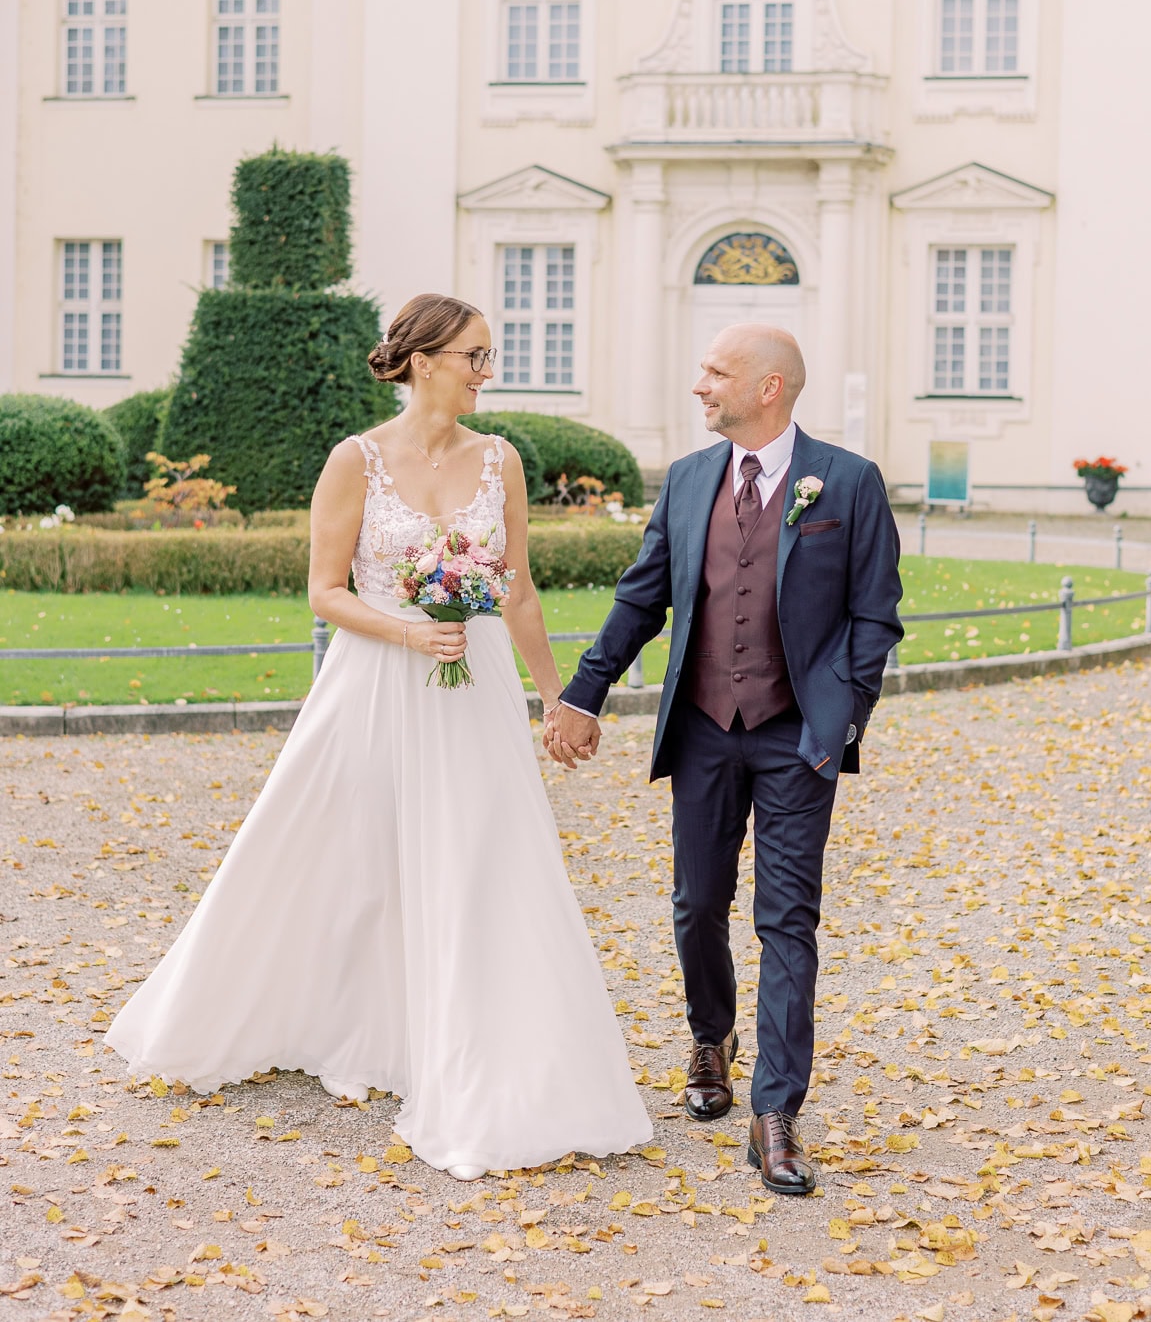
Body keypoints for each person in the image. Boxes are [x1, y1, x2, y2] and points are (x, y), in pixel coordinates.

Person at [107, 293, 650, 1180]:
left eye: (489, 355)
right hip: (372, 686)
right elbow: (325, 591)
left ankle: (485, 1050)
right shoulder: (355, 459)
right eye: (475, 355)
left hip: (473, 691)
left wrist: (558, 698)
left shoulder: (501, 459)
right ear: (424, 359)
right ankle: (300, 1011)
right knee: (336, 851)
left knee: (484, 856)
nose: (488, 371)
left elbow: (515, 590)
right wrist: (407, 630)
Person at [545, 326, 902, 1196]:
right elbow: (643, 597)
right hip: (704, 729)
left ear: (769, 386)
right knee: (696, 900)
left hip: (797, 740)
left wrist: (838, 722)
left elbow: (876, 615)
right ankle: (712, 1037)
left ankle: (775, 1114)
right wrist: (583, 694)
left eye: (716, 372)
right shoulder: (690, 479)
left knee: (788, 921)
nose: (699, 384)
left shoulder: (847, 483)